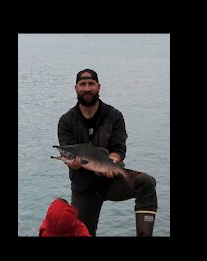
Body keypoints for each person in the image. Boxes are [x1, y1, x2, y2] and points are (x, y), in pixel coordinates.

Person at [57, 68, 158, 237]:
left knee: (146, 183)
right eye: (83, 84)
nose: (87, 88)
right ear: (76, 88)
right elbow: (68, 153)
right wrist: (73, 165)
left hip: (111, 181)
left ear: (98, 87)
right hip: (84, 188)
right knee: (83, 234)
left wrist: (113, 160)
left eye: (91, 84)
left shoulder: (114, 116)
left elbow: (119, 148)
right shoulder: (66, 121)